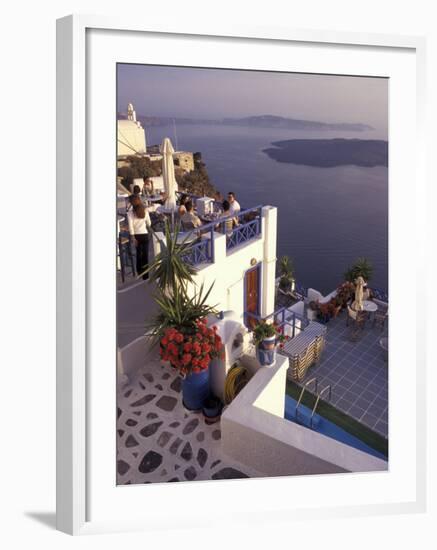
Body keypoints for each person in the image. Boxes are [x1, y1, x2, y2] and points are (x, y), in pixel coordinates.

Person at [127, 195, 151, 280]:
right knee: (145, 255)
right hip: (144, 234)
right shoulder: (145, 210)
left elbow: (131, 227)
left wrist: (133, 238)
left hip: (136, 236)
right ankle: (146, 276)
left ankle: (139, 272)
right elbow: (149, 224)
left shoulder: (130, 213)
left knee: (138, 254)